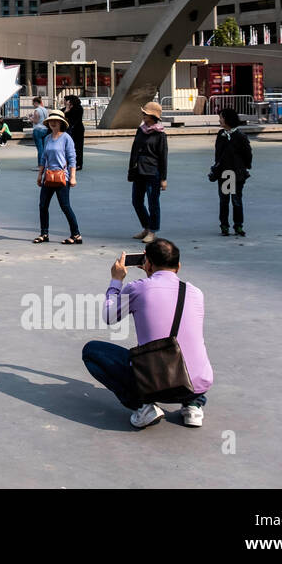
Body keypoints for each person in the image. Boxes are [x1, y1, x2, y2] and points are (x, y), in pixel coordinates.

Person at [82, 239, 213, 429]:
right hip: (196, 386)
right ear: (178, 266)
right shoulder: (196, 292)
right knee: (189, 349)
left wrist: (116, 280)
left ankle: (143, 407)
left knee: (92, 351)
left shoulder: (138, 288)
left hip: (156, 384)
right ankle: (193, 406)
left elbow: (109, 317)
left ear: (148, 264)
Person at [32, 109, 81, 244]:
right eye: (51, 121)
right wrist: (40, 175)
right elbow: (43, 158)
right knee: (43, 205)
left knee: (65, 206)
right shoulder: (47, 138)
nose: (53, 123)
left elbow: (72, 158)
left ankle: (76, 234)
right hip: (48, 176)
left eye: (56, 121)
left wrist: (73, 177)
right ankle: (44, 234)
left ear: (61, 123)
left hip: (62, 176)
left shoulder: (66, 138)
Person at [128, 101, 169, 244]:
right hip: (138, 171)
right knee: (136, 201)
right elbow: (134, 150)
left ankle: (153, 230)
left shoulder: (160, 134)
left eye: (145, 113)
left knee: (153, 203)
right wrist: (131, 170)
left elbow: (163, 157)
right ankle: (146, 227)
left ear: (153, 116)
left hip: (152, 172)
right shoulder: (141, 130)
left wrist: (163, 178)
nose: (143, 115)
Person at [211, 108, 252, 236]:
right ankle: (224, 226)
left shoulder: (240, 136)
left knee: (236, 201)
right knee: (224, 201)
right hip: (224, 173)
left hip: (236, 174)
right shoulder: (221, 134)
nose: (219, 120)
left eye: (221, 117)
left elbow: (248, 155)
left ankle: (238, 225)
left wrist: (244, 168)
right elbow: (218, 154)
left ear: (228, 119)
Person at [63, 94, 86, 171]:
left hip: (77, 130)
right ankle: (70, 163)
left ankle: (78, 164)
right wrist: (66, 109)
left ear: (69, 101)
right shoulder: (66, 109)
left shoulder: (78, 108)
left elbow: (73, 119)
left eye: (65, 100)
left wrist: (67, 110)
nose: (64, 102)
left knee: (78, 147)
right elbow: (60, 114)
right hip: (69, 130)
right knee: (69, 147)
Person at [29, 96, 49, 165]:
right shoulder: (45, 110)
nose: (33, 105)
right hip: (45, 129)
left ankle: (40, 165)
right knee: (44, 148)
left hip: (38, 130)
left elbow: (36, 121)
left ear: (36, 102)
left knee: (40, 148)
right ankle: (45, 164)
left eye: (33, 103)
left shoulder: (37, 110)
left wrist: (30, 118)